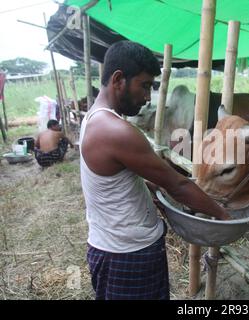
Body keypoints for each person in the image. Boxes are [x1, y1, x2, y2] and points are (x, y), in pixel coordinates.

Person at [79, 40, 231, 300]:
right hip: (129, 256)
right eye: (145, 85)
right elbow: (179, 185)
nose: (149, 97)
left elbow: (116, 179)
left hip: (112, 246)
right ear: (118, 80)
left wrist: (146, 187)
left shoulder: (95, 118)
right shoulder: (117, 131)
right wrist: (223, 216)